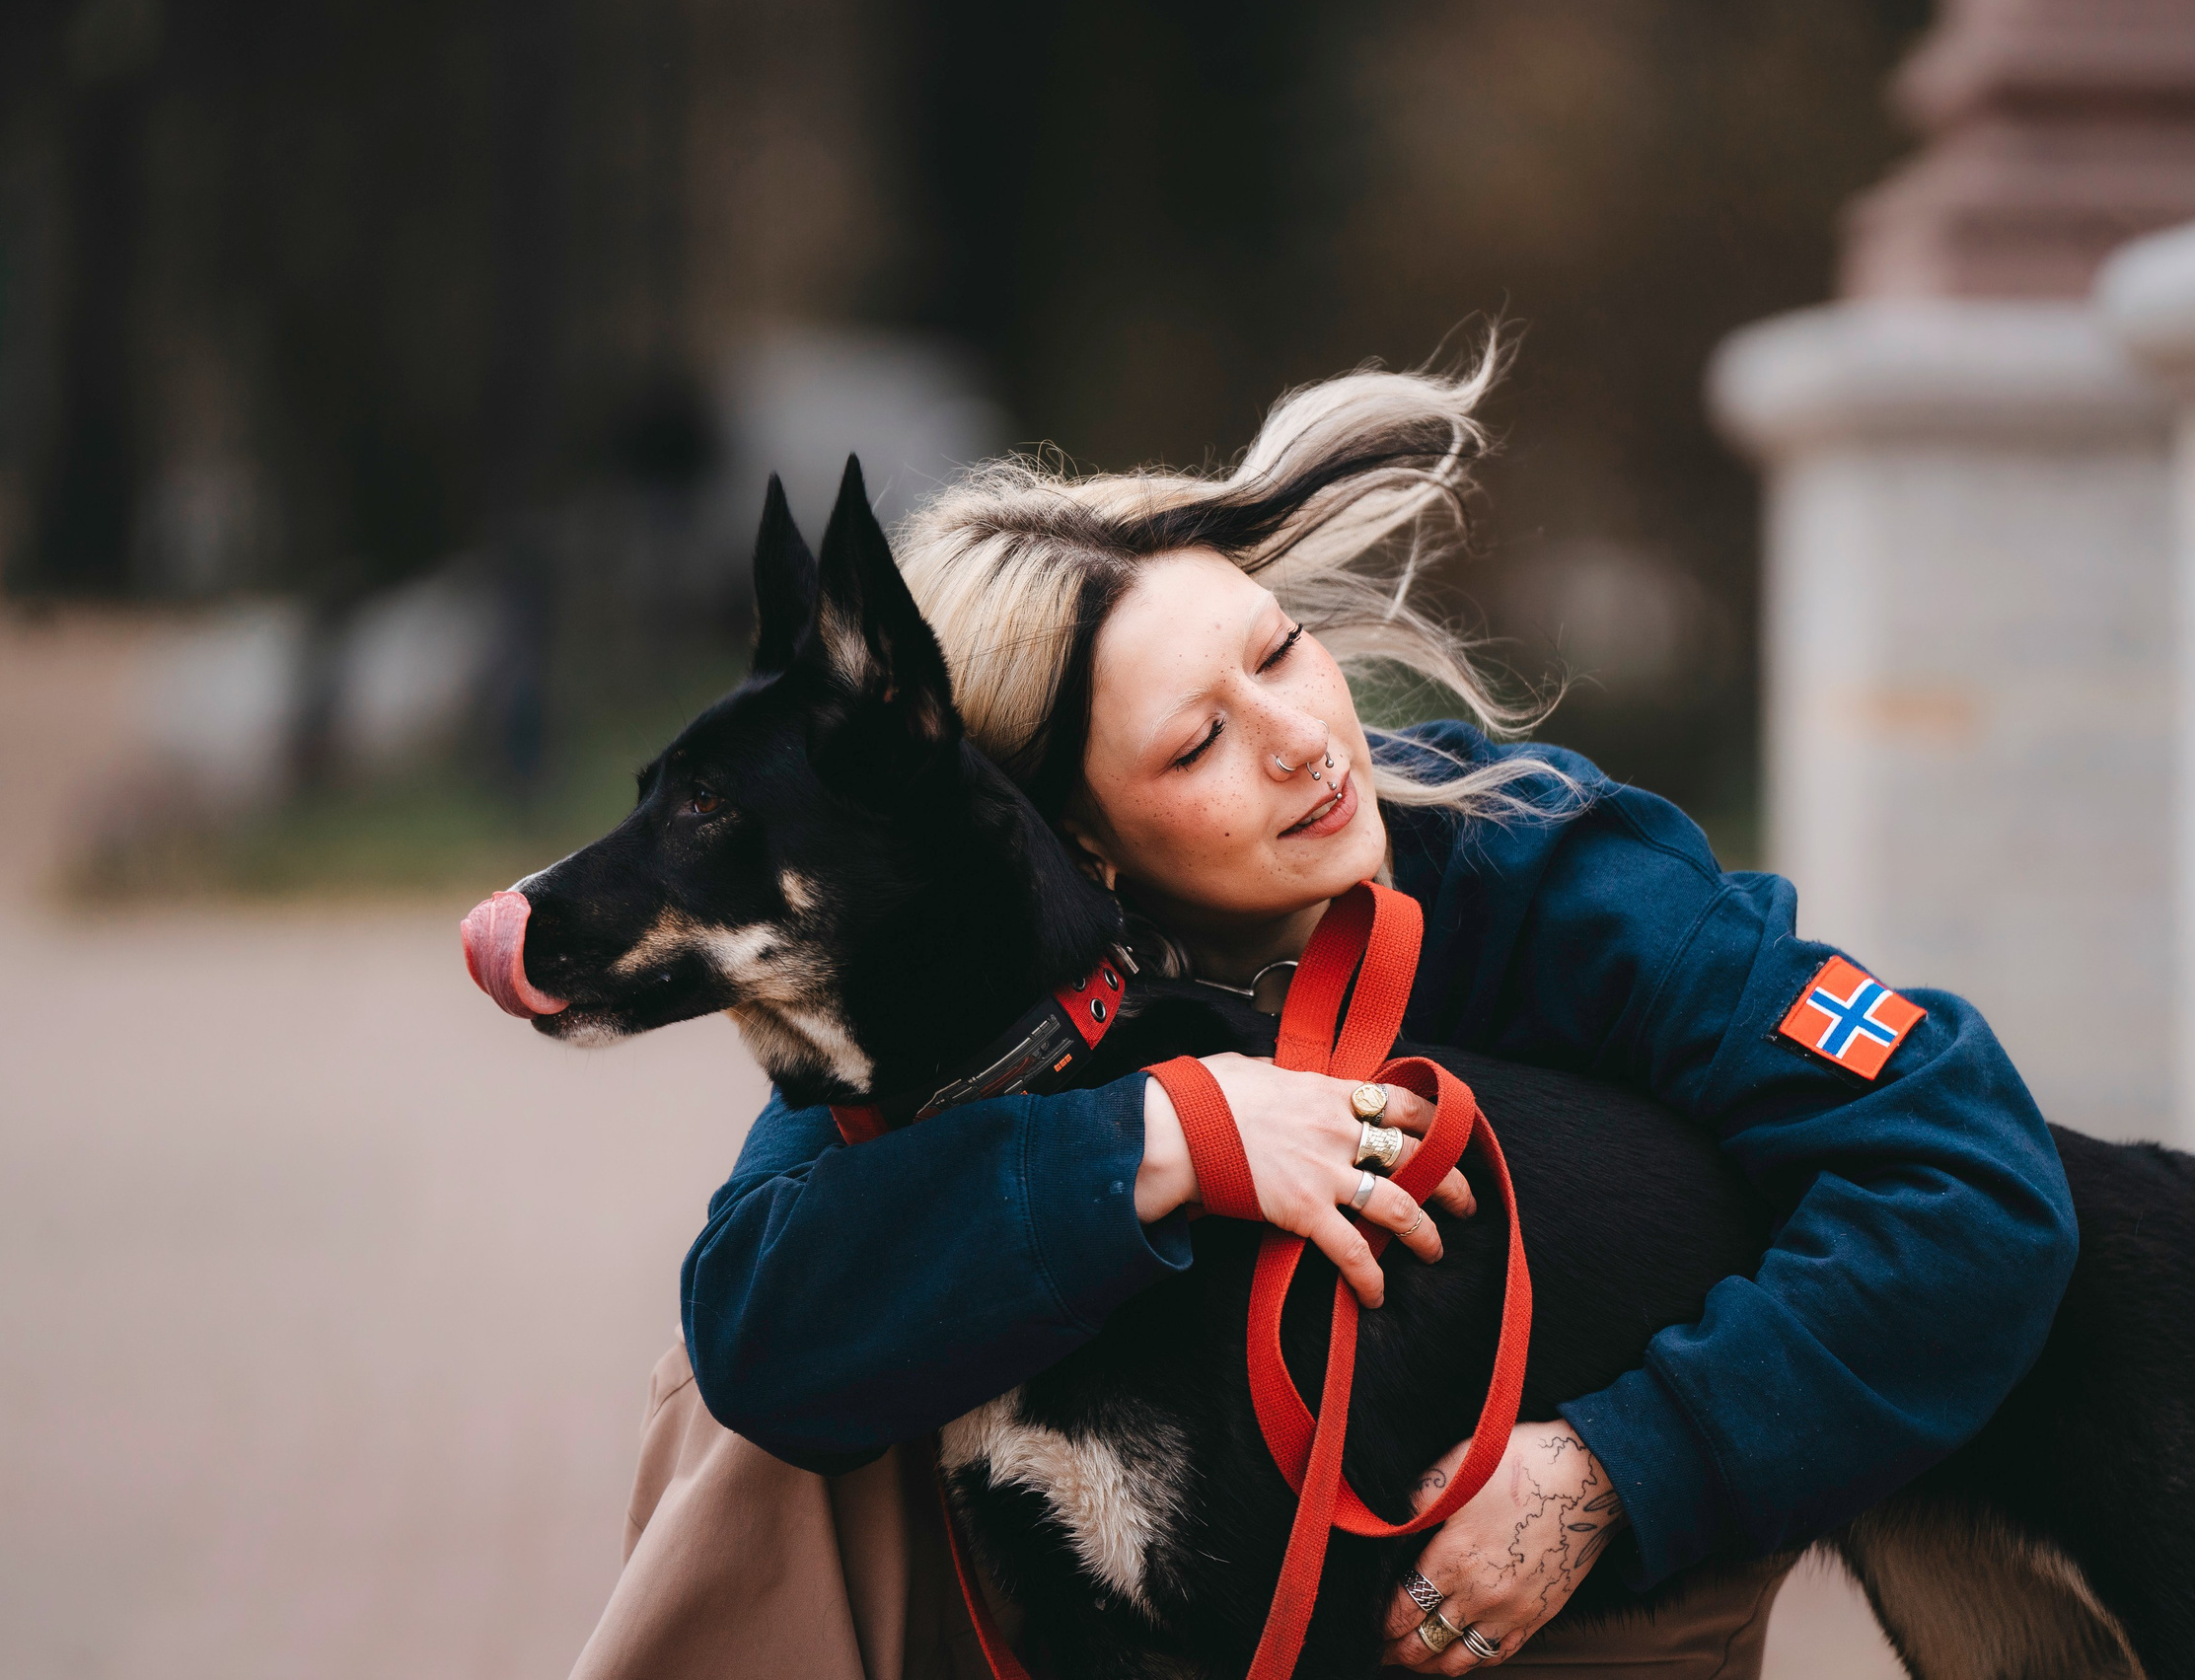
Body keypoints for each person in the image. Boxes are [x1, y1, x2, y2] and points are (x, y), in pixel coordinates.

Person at [569, 338, 2078, 1679]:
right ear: (1071, 841)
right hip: (1149, 1584)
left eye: (1280, 649)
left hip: (1554, 1573)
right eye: (1197, 745)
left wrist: (1619, 1467)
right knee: (733, 1406)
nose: (1302, 740)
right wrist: (1166, 1133)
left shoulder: (1540, 862)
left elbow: (1971, 1176)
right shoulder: (995, 965)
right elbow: (763, 1314)